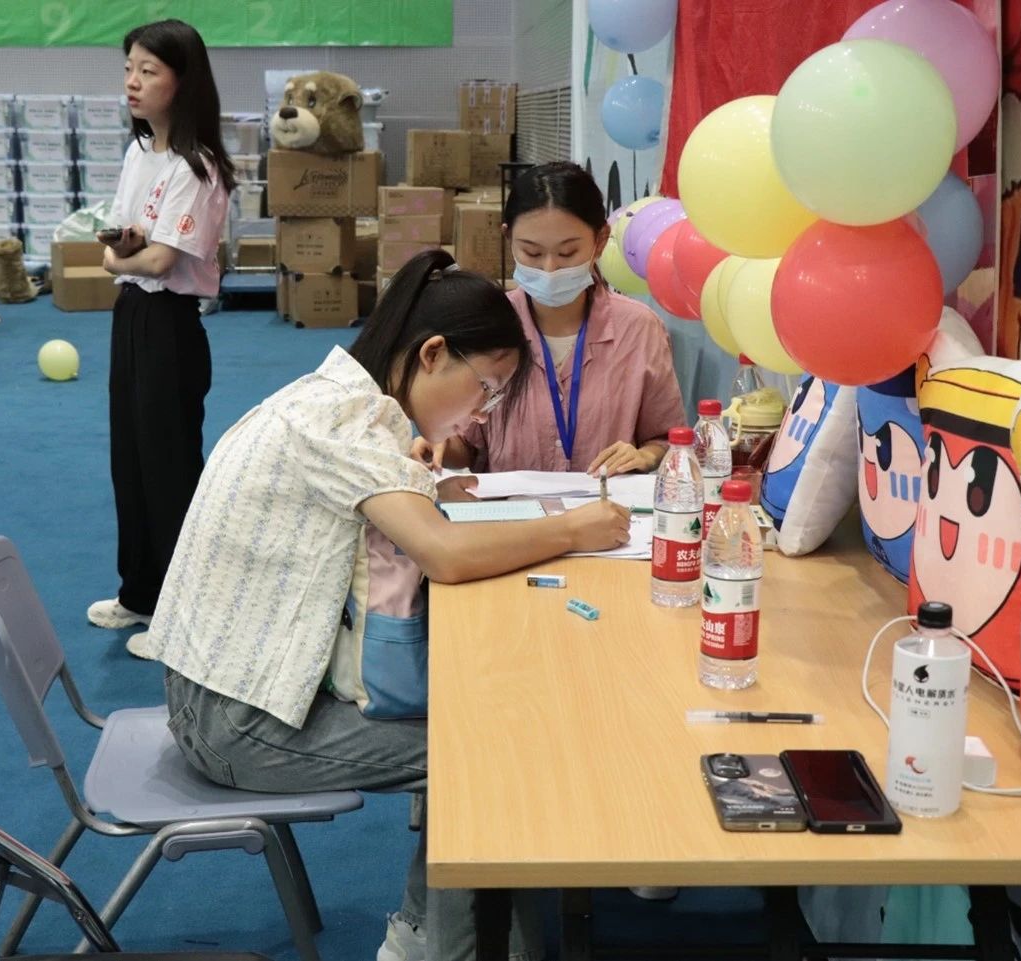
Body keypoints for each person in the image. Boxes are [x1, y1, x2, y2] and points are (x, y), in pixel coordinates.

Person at [143, 247, 630, 961]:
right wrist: (573, 529)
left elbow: (393, 509)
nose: (481, 412)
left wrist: (420, 477)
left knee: (483, 723)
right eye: (485, 387)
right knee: (484, 752)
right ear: (431, 354)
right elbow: (445, 554)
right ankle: (441, 944)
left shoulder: (336, 400)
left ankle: (438, 930)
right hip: (234, 721)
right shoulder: (347, 423)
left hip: (238, 690)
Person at [86, 19, 232, 651]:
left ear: (183, 81)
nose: (133, 82)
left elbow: (158, 260)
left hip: (170, 324)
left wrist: (119, 258)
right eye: (129, 69)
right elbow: (129, 241)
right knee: (131, 461)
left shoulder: (198, 167)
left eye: (148, 71)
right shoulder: (140, 152)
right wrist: (124, 255)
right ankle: (140, 593)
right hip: (132, 315)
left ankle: (183, 618)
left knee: (169, 468)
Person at [413, 162, 685, 477]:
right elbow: (468, 445)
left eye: (567, 253)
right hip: (511, 508)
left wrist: (643, 456)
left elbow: (667, 439)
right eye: (532, 253)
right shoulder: (485, 326)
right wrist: (438, 445)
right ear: (508, 237)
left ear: (600, 240)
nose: (550, 268)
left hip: (605, 505)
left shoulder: (639, 329)